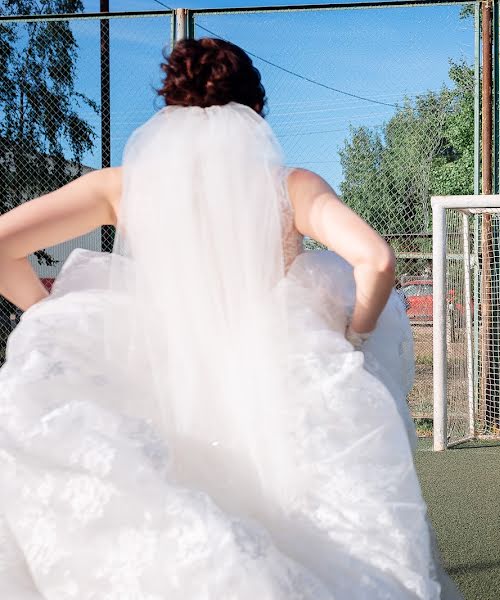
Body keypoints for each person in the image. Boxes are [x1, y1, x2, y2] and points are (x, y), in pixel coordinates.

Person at [0, 38, 459, 599]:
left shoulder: (119, 188)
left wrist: (53, 313)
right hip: (273, 380)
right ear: (256, 112)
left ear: (168, 108)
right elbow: (377, 260)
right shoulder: (290, 187)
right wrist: (355, 333)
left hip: (156, 375)